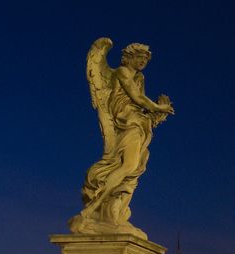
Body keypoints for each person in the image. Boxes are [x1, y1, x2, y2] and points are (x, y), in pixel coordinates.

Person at [72, 40, 174, 235]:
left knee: (134, 167)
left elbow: (142, 105)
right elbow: (137, 99)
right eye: (140, 57)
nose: (143, 61)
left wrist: (155, 115)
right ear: (129, 57)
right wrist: (158, 107)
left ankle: (112, 213)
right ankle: (92, 209)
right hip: (127, 122)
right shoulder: (122, 72)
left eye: (146, 58)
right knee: (128, 166)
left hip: (138, 123)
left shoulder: (140, 78)